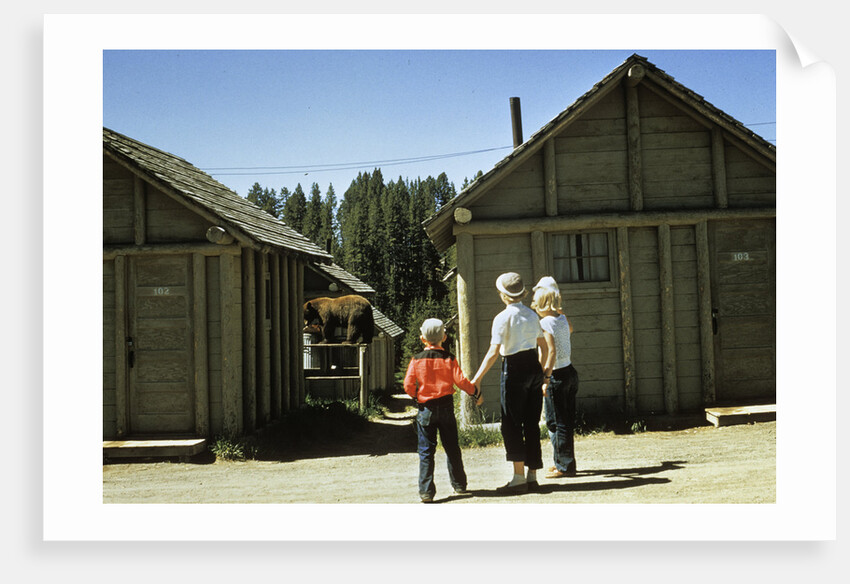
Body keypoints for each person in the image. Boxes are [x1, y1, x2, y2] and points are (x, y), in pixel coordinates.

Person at [471, 272, 548, 494]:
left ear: (503, 295)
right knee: (532, 423)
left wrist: (477, 378)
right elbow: (542, 346)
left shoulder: (502, 318)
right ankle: (532, 475)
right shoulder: (532, 315)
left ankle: (518, 478)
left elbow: (494, 352)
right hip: (533, 366)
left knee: (512, 423)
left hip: (513, 369)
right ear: (522, 292)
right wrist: (541, 372)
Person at [403, 318, 481, 503]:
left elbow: (407, 384)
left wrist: (416, 396)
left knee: (425, 451)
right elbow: (461, 382)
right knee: (452, 447)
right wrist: (475, 393)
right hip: (446, 407)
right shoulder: (449, 358)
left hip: (426, 408)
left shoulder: (416, 360)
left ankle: (426, 492)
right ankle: (460, 485)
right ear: (444, 338)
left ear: (423, 339)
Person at [531, 276, 580, 478]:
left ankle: (563, 466)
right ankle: (565, 461)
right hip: (570, 372)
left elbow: (550, 352)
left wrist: (545, 377)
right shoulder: (561, 319)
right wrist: (558, 310)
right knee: (566, 421)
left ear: (541, 304)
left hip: (556, 376)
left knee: (555, 423)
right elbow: (570, 329)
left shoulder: (544, 323)